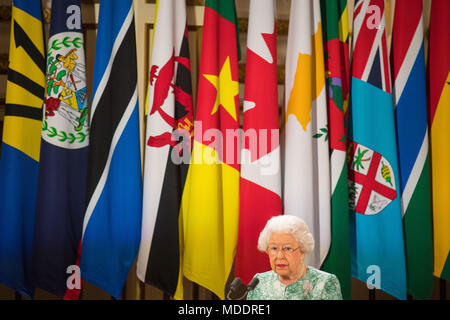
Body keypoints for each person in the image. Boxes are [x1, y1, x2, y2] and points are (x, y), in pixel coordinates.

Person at [246, 215, 343, 300]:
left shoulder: (325, 282)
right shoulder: (259, 282)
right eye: (274, 248)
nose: (280, 256)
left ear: (302, 251)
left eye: (287, 248)